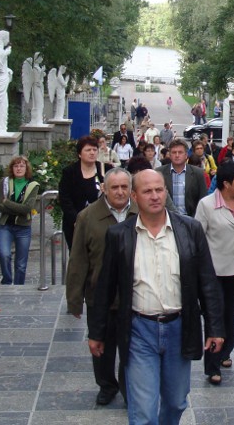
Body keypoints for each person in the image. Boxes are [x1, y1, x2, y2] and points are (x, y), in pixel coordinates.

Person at [88, 169, 225, 425]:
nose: (154, 196)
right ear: (134, 196)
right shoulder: (119, 235)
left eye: (159, 190)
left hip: (179, 328)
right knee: (143, 410)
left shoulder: (190, 229)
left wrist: (215, 328)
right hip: (139, 330)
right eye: (147, 191)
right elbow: (105, 287)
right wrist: (97, 333)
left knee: (176, 402)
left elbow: (207, 281)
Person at [66, 168, 137, 406]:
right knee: (101, 347)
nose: (120, 192)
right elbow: (78, 259)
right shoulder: (88, 217)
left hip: (133, 296)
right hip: (100, 296)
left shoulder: (141, 212)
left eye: (124, 187)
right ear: (104, 189)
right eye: (114, 187)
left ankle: (129, 388)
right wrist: (74, 300)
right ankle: (106, 385)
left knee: (131, 349)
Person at [194, 161, 234, 384]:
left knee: (229, 312)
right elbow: (198, 237)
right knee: (214, 315)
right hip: (213, 270)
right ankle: (212, 365)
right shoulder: (207, 205)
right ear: (226, 183)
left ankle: (225, 351)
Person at [0, 156, 40, 285]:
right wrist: (18, 209)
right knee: (4, 254)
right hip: (5, 225)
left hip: (23, 228)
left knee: (21, 264)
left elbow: (27, 209)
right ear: (12, 168)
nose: (19, 168)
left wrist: (7, 202)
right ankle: (7, 282)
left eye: (22, 166)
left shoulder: (33, 185)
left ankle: (19, 286)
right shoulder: (5, 182)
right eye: (16, 166)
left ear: (26, 168)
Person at [59, 136, 105, 250]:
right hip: (75, 224)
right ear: (79, 154)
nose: (92, 153)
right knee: (78, 255)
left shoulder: (105, 169)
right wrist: (76, 220)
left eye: (94, 150)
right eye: (88, 150)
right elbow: (65, 198)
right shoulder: (69, 172)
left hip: (100, 222)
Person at [156, 139, 207, 217]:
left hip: (191, 218)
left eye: (180, 152)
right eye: (174, 152)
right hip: (166, 218)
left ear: (186, 155)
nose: (177, 155)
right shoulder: (159, 173)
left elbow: (203, 198)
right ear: (170, 155)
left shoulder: (198, 173)